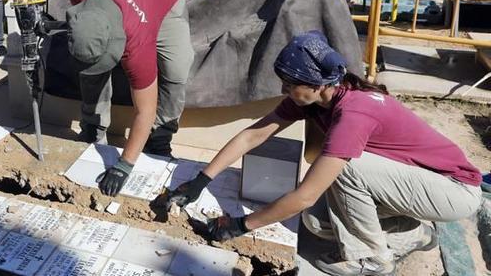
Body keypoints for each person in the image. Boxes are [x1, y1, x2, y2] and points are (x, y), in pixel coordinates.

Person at [164, 31, 482, 276]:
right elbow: (252, 136)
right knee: (317, 223)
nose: (284, 91)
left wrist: (241, 225)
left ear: (316, 83)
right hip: (418, 184)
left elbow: (303, 194)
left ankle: (373, 258)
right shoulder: (316, 97)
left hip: (453, 190)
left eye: (289, 85)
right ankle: (412, 233)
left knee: (342, 171)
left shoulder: (354, 112)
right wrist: (200, 180)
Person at [11, 0, 193, 197]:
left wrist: (124, 165)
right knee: (91, 70)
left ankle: (161, 138)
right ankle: (93, 130)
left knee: (177, 67)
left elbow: (146, 110)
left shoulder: (137, 42)